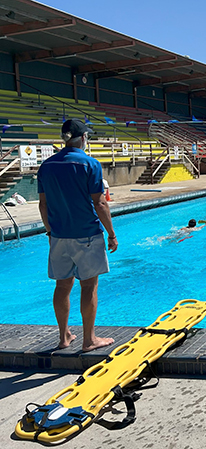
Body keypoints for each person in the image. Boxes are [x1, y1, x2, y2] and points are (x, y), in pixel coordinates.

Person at [38, 119, 117, 353]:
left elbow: (43, 205)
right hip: (87, 235)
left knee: (62, 286)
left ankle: (64, 337)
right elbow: (100, 203)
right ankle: (89, 340)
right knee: (89, 286)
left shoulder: (47, 166)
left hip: (59, 235)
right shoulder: (89, 164)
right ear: (83, 138)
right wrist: (111, 234)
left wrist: (50, 232)